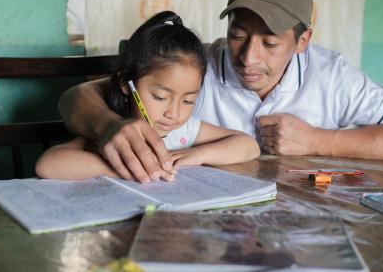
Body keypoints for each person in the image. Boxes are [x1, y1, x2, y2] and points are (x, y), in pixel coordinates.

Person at [57, 0, 383, 182]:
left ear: (303, 40)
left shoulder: (333, 76)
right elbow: (78, 97)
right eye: (237, 35)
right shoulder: (194, 68)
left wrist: (318, 140)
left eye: (270, 44)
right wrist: (108, 125)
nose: (248, 58)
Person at [36, 11, 260, 182]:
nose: (173, 113)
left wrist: (199, 154)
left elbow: (249, 145)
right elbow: (48, 165)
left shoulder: (183, 132)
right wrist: (127, 167)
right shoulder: (117, 129)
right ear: (126, 83)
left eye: (188, 100)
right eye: (160, 97)